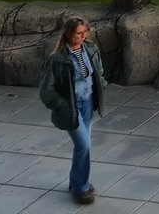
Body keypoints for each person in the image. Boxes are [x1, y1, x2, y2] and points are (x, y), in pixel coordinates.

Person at [38, 14, 105, 205]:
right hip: (71, 108)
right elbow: (45, 91)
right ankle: (81, 188)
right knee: (84, 145)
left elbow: (98, 71)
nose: (82, 37)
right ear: (68, 34)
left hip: (88, 104)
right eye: (78, 33)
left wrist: (102, 83)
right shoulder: (57, 59)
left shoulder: (90, 49)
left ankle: (75, 182)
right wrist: (63, 106)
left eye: (84, 33)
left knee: (81, 146)